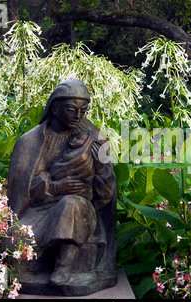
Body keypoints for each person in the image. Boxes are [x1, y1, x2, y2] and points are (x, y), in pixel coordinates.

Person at [7, 79, 117, 289]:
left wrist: (102, 169)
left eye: (83, 110)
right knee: (12, 245)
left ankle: (63, 267)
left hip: (81, 212)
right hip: (38, 212)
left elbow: (105, 195)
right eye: (71, 109)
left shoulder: (94, 141)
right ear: (55, 107)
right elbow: (20, 190)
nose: (78, 116)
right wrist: (55, 187)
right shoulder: (29, 142)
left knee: (72, 204)